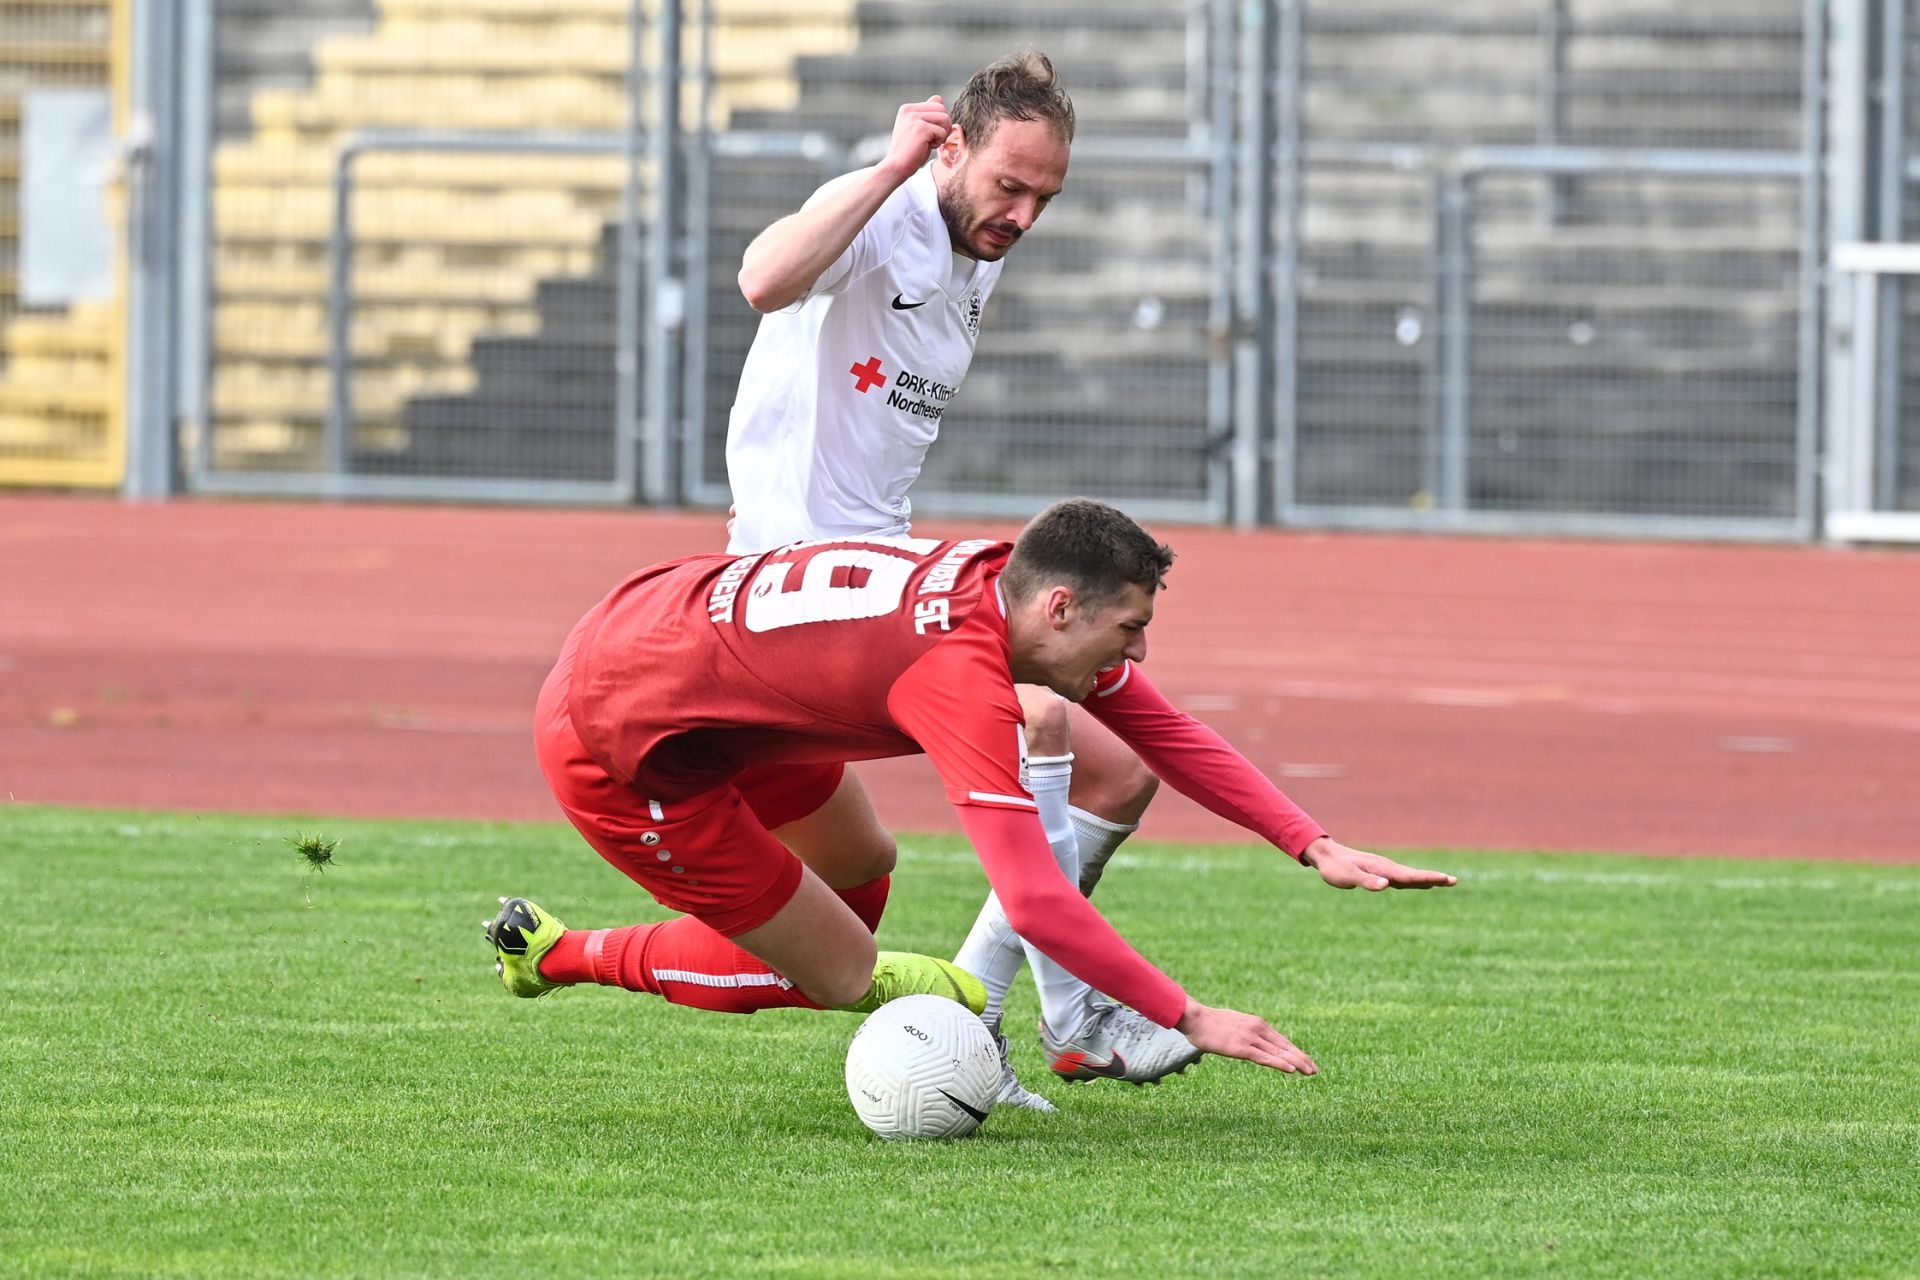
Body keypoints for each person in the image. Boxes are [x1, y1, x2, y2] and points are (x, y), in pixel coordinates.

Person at [488, 499, 1456, 1085]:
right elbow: (1034, 897)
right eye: (1130, 628)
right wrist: (1190, 1013)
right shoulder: (955, 672)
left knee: (866, 864)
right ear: (1064, 607)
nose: (1139, 651)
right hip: (624, 737)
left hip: (682, 652)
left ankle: (885, 968)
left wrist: (1311, 841)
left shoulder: (1009, 586)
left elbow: (1163, 729)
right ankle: (557, 952)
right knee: (839, 973)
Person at [722, 51, 1188, 1109]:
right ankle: (1065, 1018)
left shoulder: (980, 250)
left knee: (1114, 772)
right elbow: (761, 281)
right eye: (1008, 185)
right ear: (954, 147)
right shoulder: (877, 213)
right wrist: (889, 166)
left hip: (881, 571)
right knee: (1053, 728)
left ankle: (1006, 1016)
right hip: (806, 588)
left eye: (1044, 198)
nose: (1022, 214)